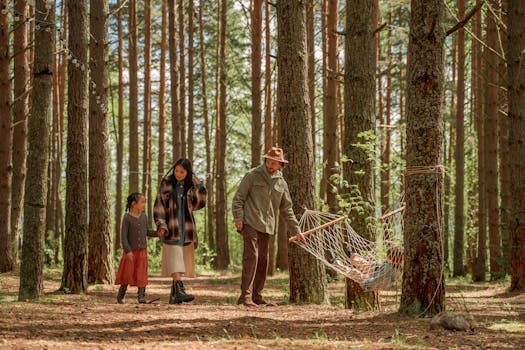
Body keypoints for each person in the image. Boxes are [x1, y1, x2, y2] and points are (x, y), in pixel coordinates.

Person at [232, 146, 302, 307]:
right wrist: (238, 218)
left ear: (280, 165)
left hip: (268, 226)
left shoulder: (281, 183)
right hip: (250, 221)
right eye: (269, 161)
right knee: (252, 257)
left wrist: (296, 230)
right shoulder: (252, 175)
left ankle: (257, 295)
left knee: (263, 260)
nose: (271, 165)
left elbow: (287, 209)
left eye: (275, 163)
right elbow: (238, 199)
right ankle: (245, 296)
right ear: (265, 160)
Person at [154, 158, 206, 304]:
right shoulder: (166, 184)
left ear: (188, 172)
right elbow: (159, 205)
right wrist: (161, 224)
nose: (178, 174)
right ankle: (180, 290)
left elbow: (199, 204)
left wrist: (199, 187)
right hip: (171, 227)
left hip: (186, 228)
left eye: (182, 172)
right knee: (175, 257)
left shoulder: (190, 186)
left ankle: (174, 295)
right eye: (176, 171)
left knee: (180, 259)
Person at [115, 192, 158, 304]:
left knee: (141, 272)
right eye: (142, 202)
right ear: (134, 204)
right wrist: (127, 250)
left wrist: (158, 233)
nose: (144, 204)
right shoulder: (127, 218)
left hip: (142, 250)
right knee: (127, 273)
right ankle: (121, 295)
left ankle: (141, 296)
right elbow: (123, 236)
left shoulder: (144, 216)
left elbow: (147, 231)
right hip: (130, 251)